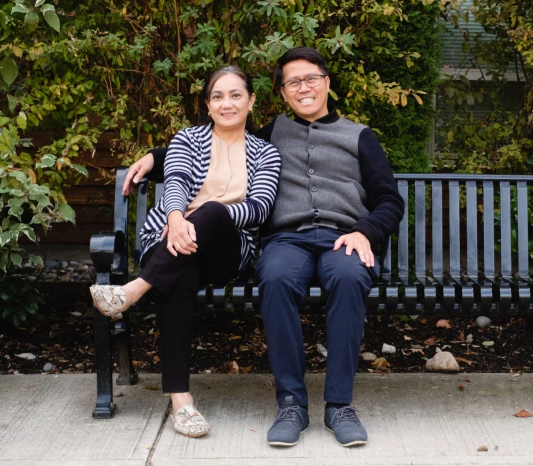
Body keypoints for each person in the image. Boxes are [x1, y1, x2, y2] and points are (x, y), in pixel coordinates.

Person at [123, 47, 405, 448]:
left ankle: (339, 405)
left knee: (347, 276)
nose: (303, 88)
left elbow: (390, 200)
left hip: (343, 237)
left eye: (311, 79)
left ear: (327, 83)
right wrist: (155, 157)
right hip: (287, 239)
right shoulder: (274, 133)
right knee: (273, 276)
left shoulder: (359, 136)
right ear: (283, 92)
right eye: (293, 82)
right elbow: (224, 139)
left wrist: (366, 231)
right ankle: (291, 403)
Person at [91, 66, 281, 438]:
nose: (227, 103)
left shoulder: (266, 153)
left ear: (251, 101)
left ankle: (133, 290)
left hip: (227, 250)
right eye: (217, 97)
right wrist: (176, 217)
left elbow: (259, 208)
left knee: (211, 210)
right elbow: (175, 179)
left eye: (236, 95)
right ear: (208, 105)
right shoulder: (188, 139)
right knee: (178, 275)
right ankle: (181, 401)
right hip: (169, 237)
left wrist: (199, 217)